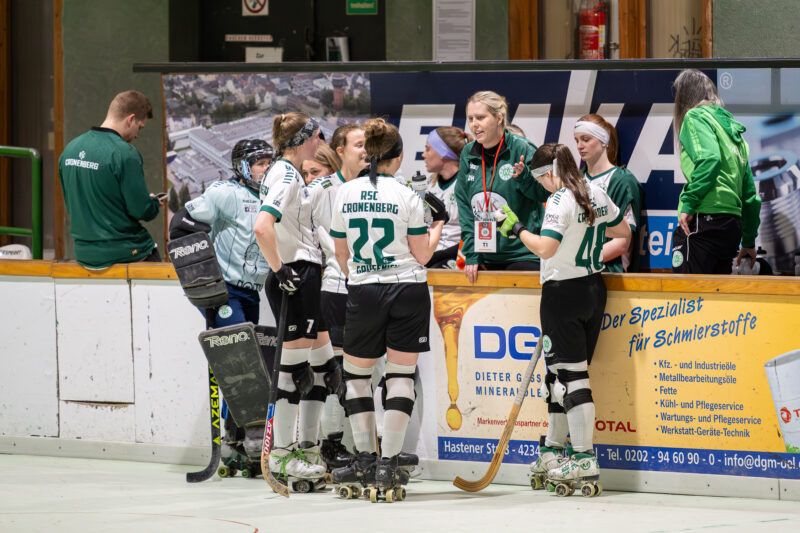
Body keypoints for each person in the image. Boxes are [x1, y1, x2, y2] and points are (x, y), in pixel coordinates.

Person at [495, 143, 630, 495]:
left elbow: (545, 248)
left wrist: (516, 228)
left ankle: (583, 458)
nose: (542, 186)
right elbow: (623, 234)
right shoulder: (596, 191)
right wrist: (586, 253)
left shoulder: (560, 199)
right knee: (557, 376)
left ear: (549, 173)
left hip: (562, 294)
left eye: (541, 179)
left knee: (571, 377)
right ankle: (554, 451)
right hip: (592, 288)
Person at [328, 118, 447, 496]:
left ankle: (365, 459)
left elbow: (341, 254)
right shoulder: (407, 195)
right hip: (407, 289)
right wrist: (439, 223)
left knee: (356, 378)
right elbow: (423, 255)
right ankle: (389, 463)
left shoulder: (346, 192)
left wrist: (363, 276)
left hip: (364, 290)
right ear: (397, 157)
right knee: (400, 378)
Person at [169, 138, 273, 472]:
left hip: (251, 291)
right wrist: (201, 274)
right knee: (239, 360)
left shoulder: (272, 196)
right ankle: (245, 433)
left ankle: (236, 434)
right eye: (259, 163)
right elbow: (181, 224)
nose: (266, 168)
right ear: (242, 167)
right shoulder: (225, 193)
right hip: (225, 291)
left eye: (269, 162)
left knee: (246, 361)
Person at [253, 112, 332, 490]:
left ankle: (304, 449)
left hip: (301, 272)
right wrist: (280, 269)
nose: (320, 142)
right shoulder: (286, 175)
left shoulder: (285, 172)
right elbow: (262, 226)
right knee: (293, 372)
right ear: (303, 139)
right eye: (316, 136)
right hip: (296, 274)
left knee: (317, 367)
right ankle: (282, 454)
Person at [306, 122, 367, 470]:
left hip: (373, 290)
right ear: (340, 151)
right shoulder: (322, 189)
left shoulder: (378, 186)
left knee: (368, 372)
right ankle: (330, 444)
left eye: (368, 144)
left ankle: (363, 446)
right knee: (338, 371)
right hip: (338, 289)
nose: (366, 150)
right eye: (358, 144)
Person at [59, 90, 165, 269]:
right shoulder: (125, 153)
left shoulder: (70, 149)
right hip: (125, 251)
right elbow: (141, 211)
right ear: (131, 119)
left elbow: (73, 205)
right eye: (139, 127)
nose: (137, 135)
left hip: (84, 254)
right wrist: (152, 204)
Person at [671, 69, 761, 274]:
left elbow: (710, 159)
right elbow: (750, 196)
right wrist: (748, 240)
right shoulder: (734, 132)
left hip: (704, 219)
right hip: (731, 227)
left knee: (686, 291)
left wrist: (689, 203)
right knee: (715, 290)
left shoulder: (695, 116)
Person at [454, 90, 549, 283]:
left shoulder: (522, 148)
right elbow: (464, 204)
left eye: (480, 117)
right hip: (484, 255)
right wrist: (472, 252)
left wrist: (524, 178)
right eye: (470, 118)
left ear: (499, 118)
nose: (474, 124)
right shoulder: (468, 153)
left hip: (523, 255)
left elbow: (545, 193)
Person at [574, 114, 643, 272]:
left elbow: (622, 243)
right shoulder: (576, 179)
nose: (579, 146)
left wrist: (579, 260)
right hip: (575, 268)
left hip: (608, 270)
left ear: (603, 141)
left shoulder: (622, 181)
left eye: (586, 139)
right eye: (576, 140)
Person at [422, 126, 471, 268]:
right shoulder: (427, 184)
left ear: (443, 152)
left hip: (457, 257)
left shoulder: (469, 183)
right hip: (427, 255)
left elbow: (474, 236)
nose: (423, 155)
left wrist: (434, 258)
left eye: (428, 149)